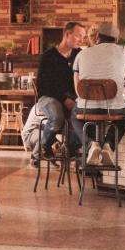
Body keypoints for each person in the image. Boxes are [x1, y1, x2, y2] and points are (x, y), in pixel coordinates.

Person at [70, 21, 125, 166]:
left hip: (86, 108)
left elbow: (78, 89)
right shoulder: (124, 51)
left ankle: (91, 145)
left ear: (97, 37)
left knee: (74, 115)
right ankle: (108, 145)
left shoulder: (82, 54)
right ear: (116, 39)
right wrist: (123, 71)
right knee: (123, 117)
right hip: (114, 108)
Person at [22, 21, 86, 164]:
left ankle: (68, 149)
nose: (82, 40)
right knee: (57, 118)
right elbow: (44, 86)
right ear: (67, 34)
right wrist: (64, 99)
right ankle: (44, 148)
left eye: (83, 37)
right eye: (79, 36)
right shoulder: (48, 56)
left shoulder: (80, 55)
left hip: (71, 98)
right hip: (48, 97)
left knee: (84, 120)